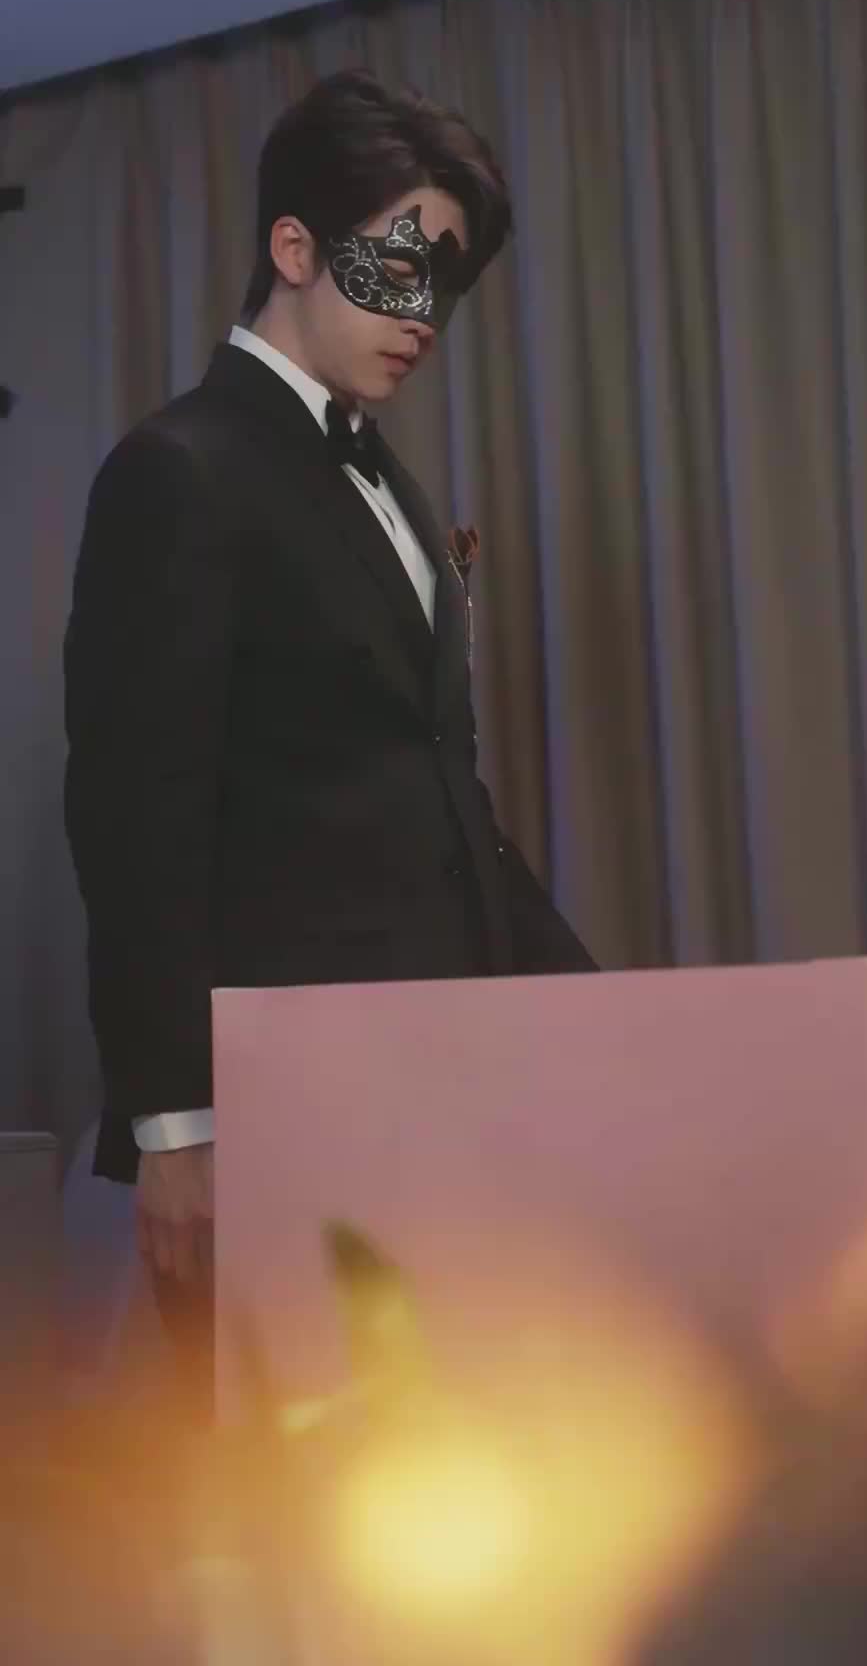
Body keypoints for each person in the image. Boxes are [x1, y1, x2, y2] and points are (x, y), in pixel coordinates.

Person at [63, 69, 595, 1388]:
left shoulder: (395, 488)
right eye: (400, 269)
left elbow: (439, 793)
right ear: (294, 248)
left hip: (438, 1086)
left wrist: (602, 1017)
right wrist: (175, 1126)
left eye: (446, 288)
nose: (425, 318)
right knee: (291, 1473)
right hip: (279, 1105)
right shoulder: (179, 471)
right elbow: (136, 820)